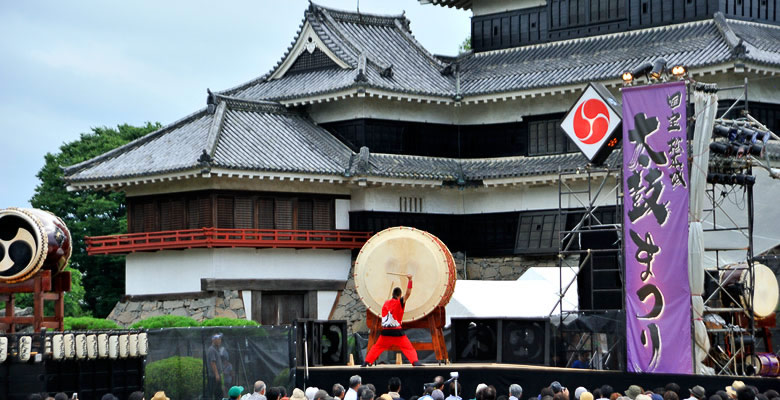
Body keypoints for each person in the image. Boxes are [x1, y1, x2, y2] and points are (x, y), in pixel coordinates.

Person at [362, 274, 421, 366]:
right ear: (399, 295)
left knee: (377, 347)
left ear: (392, 294)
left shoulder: (385, 303)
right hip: (396, 331)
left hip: (386, 331)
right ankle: (415, 362)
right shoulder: (399, 302)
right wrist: (410, 280)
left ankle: (366, 362)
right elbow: (408, 293)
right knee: (408, 348)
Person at [207, 333, 225, 400]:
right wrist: (217, 375)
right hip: (213, 377)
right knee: (212, 393)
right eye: (218, 339)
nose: (220, 340)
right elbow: (212, 363)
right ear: (214, 340)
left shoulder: (216, 349)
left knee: (219, 393)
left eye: (220, 339)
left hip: (217, 376)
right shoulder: (211, 349)